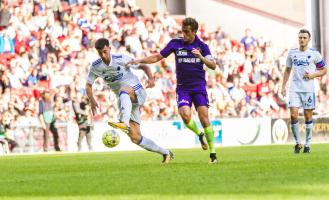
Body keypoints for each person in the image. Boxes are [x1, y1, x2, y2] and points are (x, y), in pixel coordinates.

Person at [127, 17, 218, 164]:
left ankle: (213, 154)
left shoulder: (202, 46)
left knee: (204, 118)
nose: (184, 34)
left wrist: (200, 57)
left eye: (187, 32)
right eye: (183, 31)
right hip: (183, 88)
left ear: (194, 31)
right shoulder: (176, 43)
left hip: (199, 87)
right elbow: (158, 57)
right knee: (185, 116)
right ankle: (199, 133)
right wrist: (140, 60)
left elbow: (213, 65)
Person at [86, 38, 173, 163]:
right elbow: (88, 85)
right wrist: (92, 99)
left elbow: (144, 66)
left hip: (137, 91)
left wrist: (151, 79)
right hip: (124, 101)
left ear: (109, 48)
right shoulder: (96, 66)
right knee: (135, 138)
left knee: (124, 90)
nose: (103, 55)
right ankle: (166, 153)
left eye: (105, 51)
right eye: (100, 53)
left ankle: (125, 122)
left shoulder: (121, 58)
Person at [281, 29, 327, 153]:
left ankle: (307, 144)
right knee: (293, 115)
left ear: (309, 39)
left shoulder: (314, 54)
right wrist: (283, 86)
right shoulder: (292, 53)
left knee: (307, 116)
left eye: (304, 38)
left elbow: (324, 70)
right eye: (300, 37)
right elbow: (287, 70)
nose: (302, 39)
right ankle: (297, 143)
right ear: (298, 39)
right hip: (295, 88)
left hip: (308, 89)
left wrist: (313, 75)